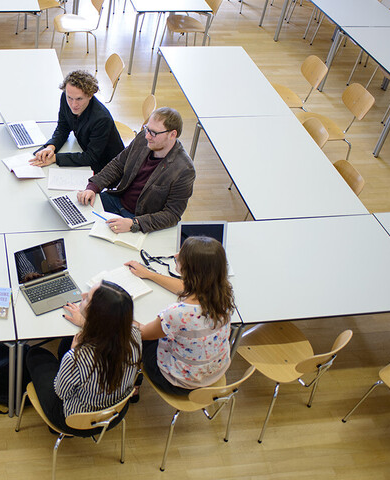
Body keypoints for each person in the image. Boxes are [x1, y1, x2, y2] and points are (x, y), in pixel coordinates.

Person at [25, 281, 142, 434]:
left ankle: (56, 429)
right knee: (64, 345)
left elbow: (61, 393)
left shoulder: (77, 356)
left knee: (35, 355)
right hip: (116, 414)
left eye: (87, 299)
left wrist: (72, 352)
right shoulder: (135, 334)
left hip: (74, 421)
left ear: (97, 315)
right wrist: (85, 323)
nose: (82, 295)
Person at [124, 236, 234, 395]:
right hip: (215, 372)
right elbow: (185, 289)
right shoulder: (223, 292)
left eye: (181, 256)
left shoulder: (178, 313)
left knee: (133, 339)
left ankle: (132, 386)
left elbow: (142, 333)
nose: (175, 255)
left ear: (189, 269)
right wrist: (149, 274)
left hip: (179, 383)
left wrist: (117, 311)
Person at [76, 107, 196, 234]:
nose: (148, 136)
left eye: (154, 133)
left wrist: (135, 223)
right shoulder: (142, 138)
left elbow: (172, 214)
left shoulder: (184, 170)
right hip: (117, 199)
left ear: (172, 134)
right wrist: (92, 187)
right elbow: (118, 165)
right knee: (78, 217)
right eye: (147, 129)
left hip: (140, 218)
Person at [30, 70, 124, 174]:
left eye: (79, 99)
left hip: (106, 167)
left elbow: (91, 157)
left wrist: (55, 158)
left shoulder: (101, 119)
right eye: (70, 98)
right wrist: (51, 147)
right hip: (83, 149)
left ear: (90, 95)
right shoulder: (66, 97)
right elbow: (63, 127)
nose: (73, 104)